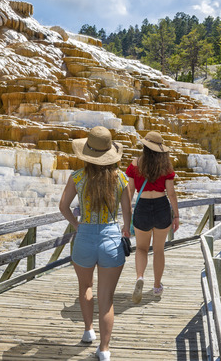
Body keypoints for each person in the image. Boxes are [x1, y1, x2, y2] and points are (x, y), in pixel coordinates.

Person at [59, 126, 132, 361]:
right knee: (107, 298)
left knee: (85, 287)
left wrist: (76, 224)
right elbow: (127, 211)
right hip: (111, 236)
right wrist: (126, 231)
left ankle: (88, 330)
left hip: (85, 237)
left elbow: (63, 206)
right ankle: (104, 350)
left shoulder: (78, 177)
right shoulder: (121, 178)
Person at [125, 131, 180, 304]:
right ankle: (157, 286)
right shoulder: (166, 167)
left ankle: (140, 277)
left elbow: (129, 191)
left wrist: (127, 217)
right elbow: (171, 193)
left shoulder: (135, 164)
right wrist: (176, 215)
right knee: (158, 249)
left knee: (141, 248)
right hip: (161, 206)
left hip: (142, 206)